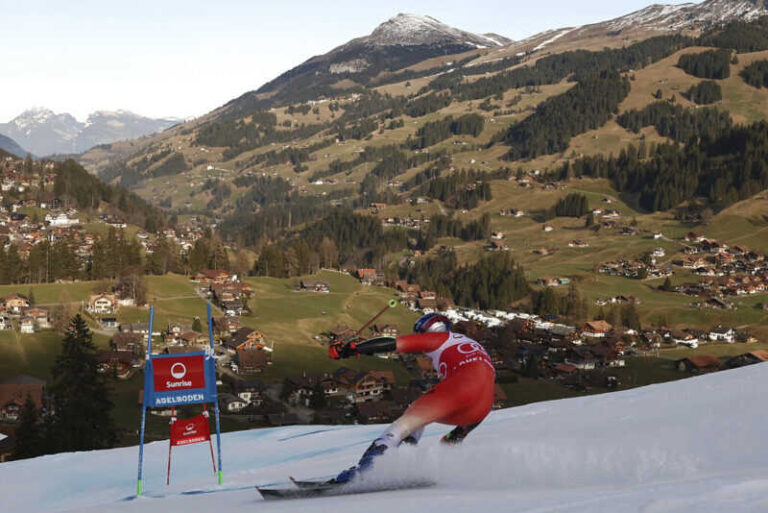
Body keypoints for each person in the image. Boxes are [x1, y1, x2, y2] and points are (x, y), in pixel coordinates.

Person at [328, 312, 496, 483]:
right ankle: (413, 463)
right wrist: (459, 434)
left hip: (459, 389)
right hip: (482, 405)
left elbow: (391, 343)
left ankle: (367, 471)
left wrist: (352, 349)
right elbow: (480, 386)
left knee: (404, 424)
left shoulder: (439, 338)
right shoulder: (471, 344)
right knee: (421, 414)